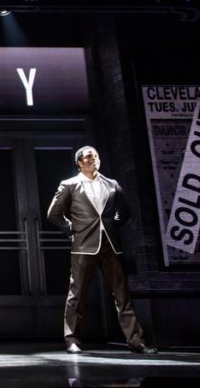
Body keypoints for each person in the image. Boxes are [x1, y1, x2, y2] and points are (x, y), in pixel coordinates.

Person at [46, 145, 158, 354]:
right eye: (89, 157)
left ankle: (136, 341)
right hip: (83, 246)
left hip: (110, 245)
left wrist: (113, 225)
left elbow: (125, 211)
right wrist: (73, 230)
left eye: (96, 156)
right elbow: (53, 213)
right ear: (79, 163)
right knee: (77, 294)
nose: (94, 160)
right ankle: (72, 340)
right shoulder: (69, 185)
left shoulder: (112, 184)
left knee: (122, 295)